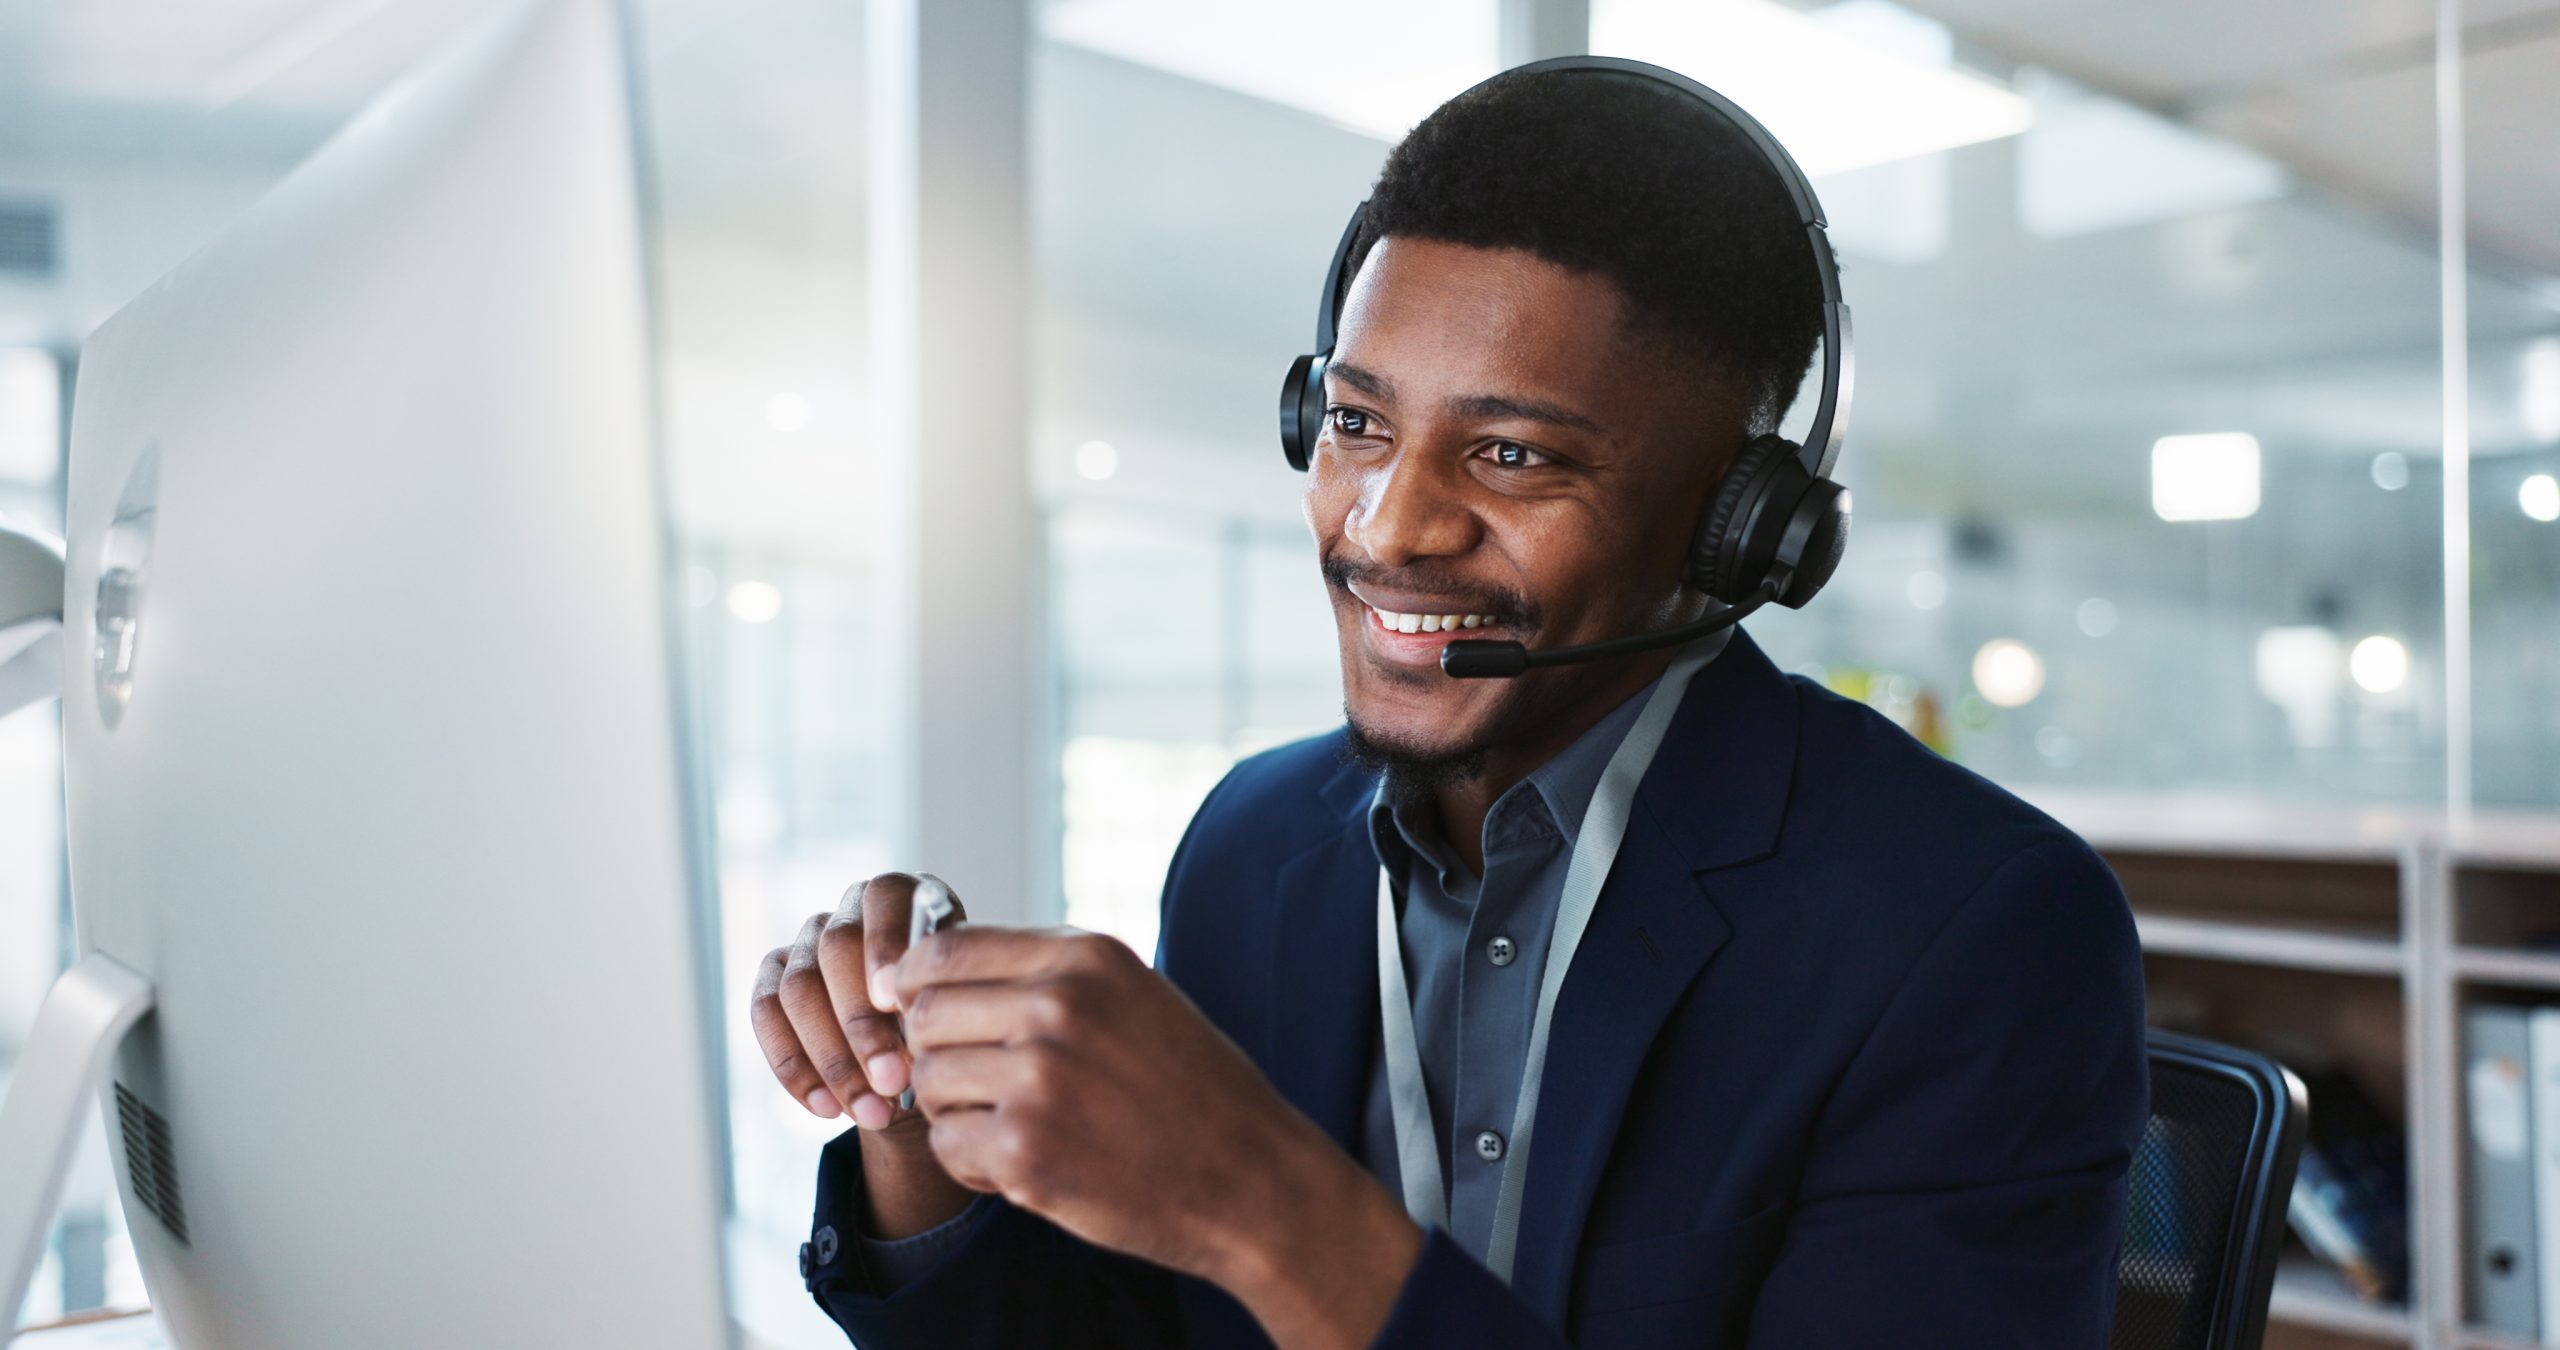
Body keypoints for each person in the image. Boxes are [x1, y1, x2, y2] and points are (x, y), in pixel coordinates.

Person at [751, 60, 2146, 1349]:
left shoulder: (1971, 930)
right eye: (1357, 422)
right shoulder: (1254, 844)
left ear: (1738, 528)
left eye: (1510, 452)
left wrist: (1265, 1199)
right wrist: (920, 1134)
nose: (1389, 525)